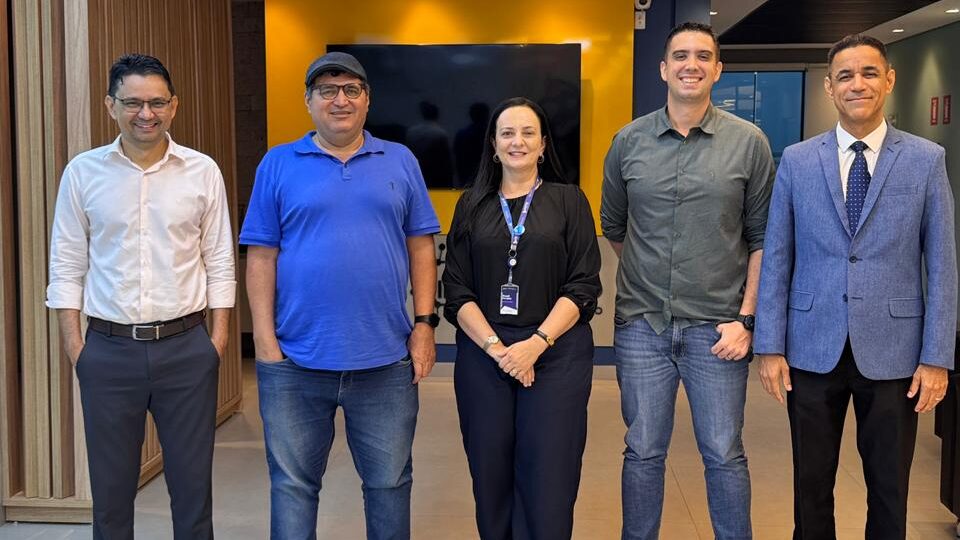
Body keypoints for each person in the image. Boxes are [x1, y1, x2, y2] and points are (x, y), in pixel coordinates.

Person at [754, 34, 957, 540]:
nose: (857, 84)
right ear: (828, 87)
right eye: (845, 75)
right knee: (810, 486)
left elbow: (943, 264)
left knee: (889, 489)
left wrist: (937, 357)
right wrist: (769, 346)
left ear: (889, 80)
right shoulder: (798, 161)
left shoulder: (925, 160)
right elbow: (777, 257)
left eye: (869, 72)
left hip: (895, 353)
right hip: (810, 346)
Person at [240, 51, 440, 540]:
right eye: (327, 90)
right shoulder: (278, 163)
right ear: (309, 102)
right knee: (293, 486)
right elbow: (260, 256)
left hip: (386, 361)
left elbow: (422, 247)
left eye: (351, 90)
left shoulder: (400, 159)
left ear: (367, 101)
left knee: (390, 484)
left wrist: (424, 325)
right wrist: (265, 345)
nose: (340, 100)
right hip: (295, 364)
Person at [46, 53, 235, 540]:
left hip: (187, 349)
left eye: (156, 102)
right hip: (107, 352)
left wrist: (214, 343)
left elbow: (219, 261)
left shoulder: (202, 171)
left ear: (174, 106)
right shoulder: (83, 173)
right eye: (132, 102)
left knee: (193, 495)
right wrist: (77, 350)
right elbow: (67, 265)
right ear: (111, 105)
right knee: (110, 499)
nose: (145, 113)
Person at [600, 22, 775, 540]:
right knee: (644, 452)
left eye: (703, 56)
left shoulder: (749, 144)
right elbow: (614, 226)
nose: (690, 64)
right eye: (680, 55)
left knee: (724, 454)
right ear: (663, 69)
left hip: (719, 331)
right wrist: (650, 273)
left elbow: (763, 237)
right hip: (642, 328)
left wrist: (746, 319)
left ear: (718, 69)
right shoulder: (628, 141)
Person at [442, 96, 601, 539]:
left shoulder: (569, 201)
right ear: (493, 145)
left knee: (549, 475)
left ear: (544, 144)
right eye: (507, 133)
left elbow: (584, 284)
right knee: (489, 473)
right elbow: (456, 290)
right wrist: (498, 350)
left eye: (528, 132)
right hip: (484, 356)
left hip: (556, 353)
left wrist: (534, 345)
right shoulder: (470, 206)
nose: (518, 141)